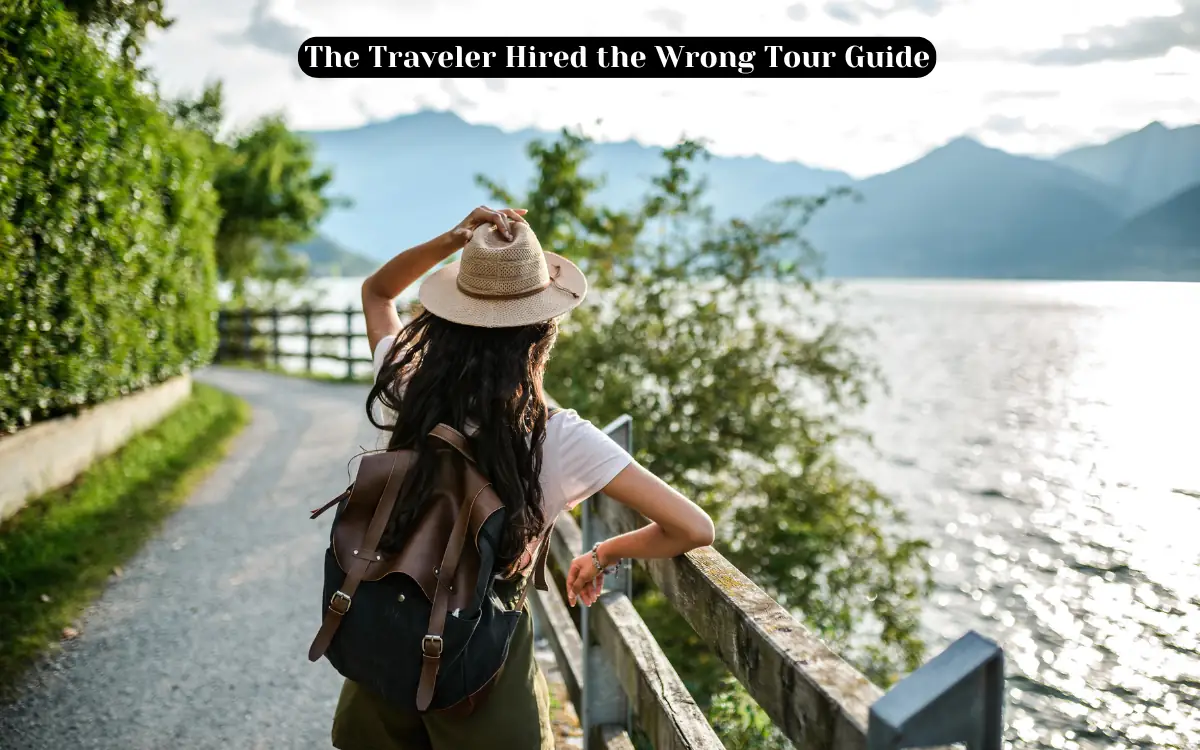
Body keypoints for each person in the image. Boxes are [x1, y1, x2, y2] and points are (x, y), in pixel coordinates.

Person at [330, 205, 715, 750]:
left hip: (386, 639)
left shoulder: (409, 388)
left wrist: (454, 238)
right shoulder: (559, 437)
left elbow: (377, 292)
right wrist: (601, 554)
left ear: (446, 318)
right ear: (542, 331)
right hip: (482, 659)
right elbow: (692, 527)